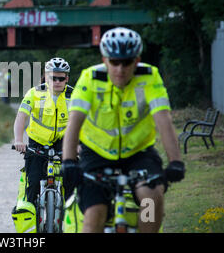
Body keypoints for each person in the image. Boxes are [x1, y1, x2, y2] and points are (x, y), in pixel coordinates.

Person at [61, 27, 185, 233]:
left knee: (151, 200)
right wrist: (68, 162)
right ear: (104, 59)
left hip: (138, 153)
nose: (120, 69)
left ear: (137, 60)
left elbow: (164, 120)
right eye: (114, 62)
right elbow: (74, 123)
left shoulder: (149, 77)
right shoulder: (90, 78)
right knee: (94, 215)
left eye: (127, 62)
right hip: (96, 153)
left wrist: (175, 161)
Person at [12, 57, 73, 232]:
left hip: (64, 141)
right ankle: (31, 223)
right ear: (46, 77)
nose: (57, 81)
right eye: (53, 77)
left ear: (67, 78)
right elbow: (21, 117)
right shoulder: (34, 93)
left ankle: (70, 221)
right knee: (32, 183)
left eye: (61, 78)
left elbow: (83, 121)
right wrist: (18, 140)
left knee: (72, 180)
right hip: (37, 142)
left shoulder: (73, 94)